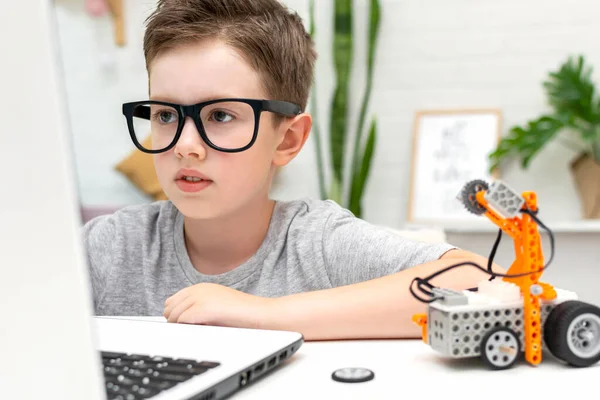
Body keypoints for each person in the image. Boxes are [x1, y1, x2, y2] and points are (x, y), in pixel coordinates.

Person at [84, 0, 502, 341]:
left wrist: (267, 314)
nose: (185, 146)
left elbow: (485, 281)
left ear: (287, 140)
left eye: (222, 116)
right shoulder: (111, 247)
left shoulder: (316, 243)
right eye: (164, 114)